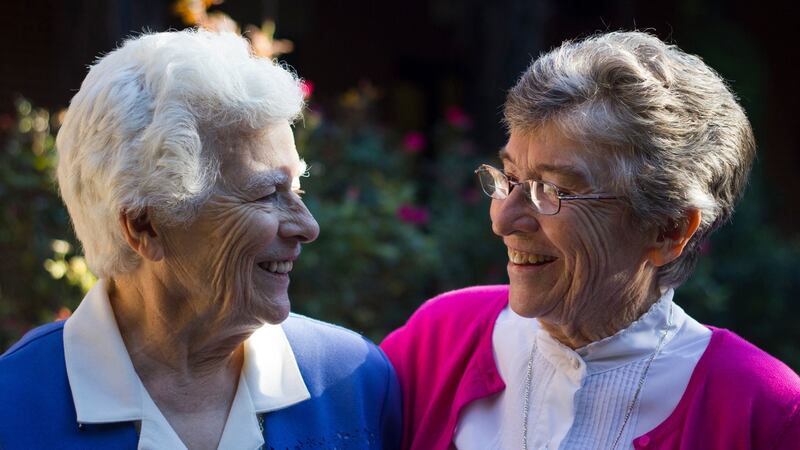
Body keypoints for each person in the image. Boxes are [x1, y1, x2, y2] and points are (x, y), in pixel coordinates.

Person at [381, 31, 800, 450]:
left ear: (668, 229)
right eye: (508, 179)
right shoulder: (440, 340)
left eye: (552, 189)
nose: (504, 219)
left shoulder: (762, 410)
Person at [0, 30, 400, 450]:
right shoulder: (15, 409)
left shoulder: (354, 383)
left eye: (297, 190)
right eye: (267, 193)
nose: (308, 226)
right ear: (144, 226)